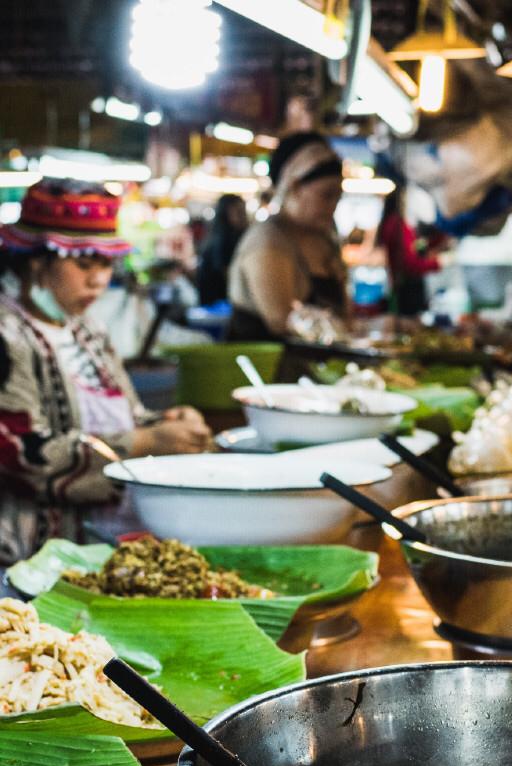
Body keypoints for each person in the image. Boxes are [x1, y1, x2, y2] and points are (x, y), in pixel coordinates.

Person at [0, 180, 212, 566]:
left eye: (104, 263)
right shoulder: (7, 336)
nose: (98, 280)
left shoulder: (88, 330)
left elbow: (129, 417)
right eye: (83, 264)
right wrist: (143, 442)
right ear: (37, 260)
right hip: (27, 556)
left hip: (100, 546)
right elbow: (20, 456)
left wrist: (168, 424)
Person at [227, 131, 347, 341]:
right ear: (294, 187)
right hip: (269, 369)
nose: (333, 206)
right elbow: (281, 321)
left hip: (324, 367)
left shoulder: (324, 240)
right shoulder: (267, 239)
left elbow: (346, 316)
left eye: (338, 196)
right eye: (326, 195)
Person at [377, 186, 440, 317]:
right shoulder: (397, 225)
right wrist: (436, 263)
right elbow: (408, 262)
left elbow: (410, 250)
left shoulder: (392, 223)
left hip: (400, 286)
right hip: (407, 290)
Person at [196, 194, 247, 306]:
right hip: (217, 303)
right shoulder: (223, 239)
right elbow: (227, 274)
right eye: (239, 212)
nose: (244, 216)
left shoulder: (215, 235)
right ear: (225, 213)